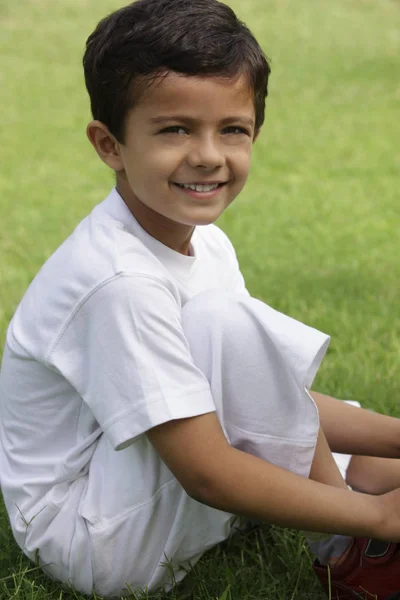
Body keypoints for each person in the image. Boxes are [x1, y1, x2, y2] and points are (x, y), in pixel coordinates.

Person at [0, 0, 400, 598]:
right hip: (91, 532)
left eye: (231, 129)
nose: (209, 155)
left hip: (135, 486)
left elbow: (251, 390)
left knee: (363, 453)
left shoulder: (203, 242)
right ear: (109, 145)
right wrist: (378, 518)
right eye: (175, 129)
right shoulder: (119, 282)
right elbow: (208, 473)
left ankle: (361, 487)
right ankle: (347, 549)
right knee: (229, 332)